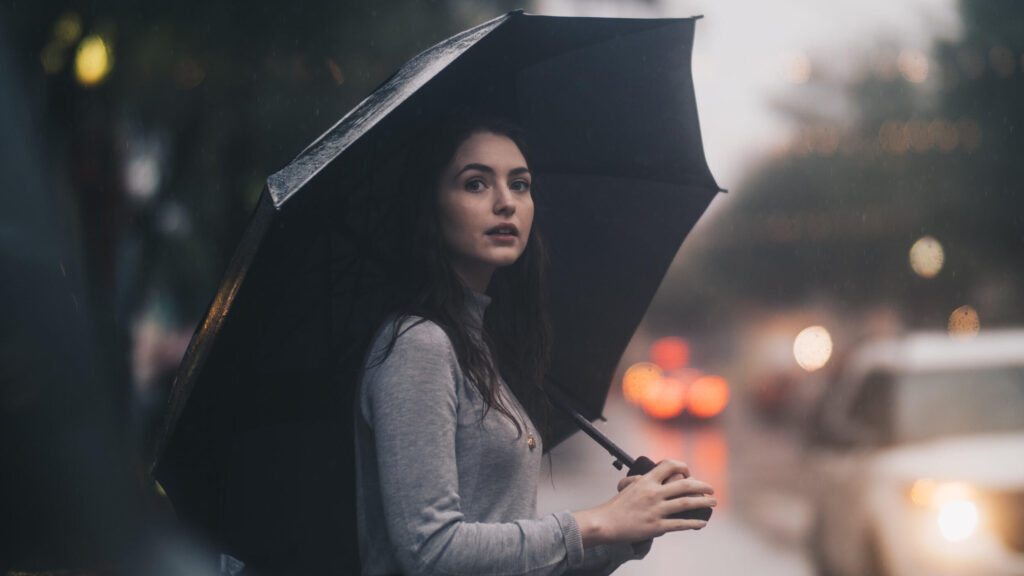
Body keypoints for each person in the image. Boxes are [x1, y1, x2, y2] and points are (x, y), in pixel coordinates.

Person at [353, 117, 716, 576]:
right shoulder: (418, 346)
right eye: (476, 184)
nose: (506, 203)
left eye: (520, 185)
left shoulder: (480, 345)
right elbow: (431, 552)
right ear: (430, 206)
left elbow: (514, 558)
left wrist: (630, 527)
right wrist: (598, 523)